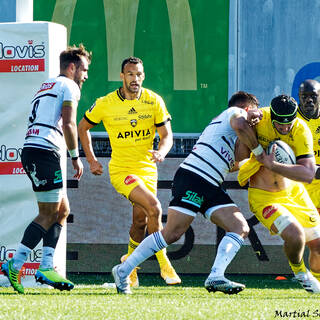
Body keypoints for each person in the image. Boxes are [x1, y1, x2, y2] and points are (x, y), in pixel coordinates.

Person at [111, 91, 264, 294]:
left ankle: (216, 277)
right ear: (246, 108)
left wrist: (258, 152)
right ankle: (123, 270)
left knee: (240, 227)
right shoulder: (235, 113)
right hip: (193, 176)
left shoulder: (231, 131)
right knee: (172, 233)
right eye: (254, 111)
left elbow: (238, 160)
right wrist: (261, 152)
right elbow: (241, 125)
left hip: (211, 184)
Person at [78, 56, 180, 287]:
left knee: (140, 220)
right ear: (122, 76)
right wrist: (92, 160)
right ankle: (164, 263)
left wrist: (162, 151)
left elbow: (167, 136)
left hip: (147, 168)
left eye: (139, 74)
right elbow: (82, 128)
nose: (135, 79)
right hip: (122, 170)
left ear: (143, 76)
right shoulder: (105, 103)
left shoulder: (154, 101)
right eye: (131, 74)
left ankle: (129, 266)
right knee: (154, 207)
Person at [1, 44, 91, 294]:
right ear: (71, 67)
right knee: (49, 213)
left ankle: (46, 266)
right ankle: (15, 265)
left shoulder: (47, 84)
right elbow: (70, 123)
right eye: (84, 69)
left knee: (62, 209)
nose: (85, 75)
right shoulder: (69, 86)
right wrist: (75, 157)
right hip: (45, 152)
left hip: (32, 150)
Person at [237, 94, 320, 293]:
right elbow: (240, 124)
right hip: (264, 197)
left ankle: (317, 284)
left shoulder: (301, 130)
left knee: (318, 245)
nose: (284, 128)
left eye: (288, 124)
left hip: (294, 193)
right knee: (295, 235)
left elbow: (308, 173)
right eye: (279, 125)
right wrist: (252, 117)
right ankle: (301, 273)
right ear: (270, 116)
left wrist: (273, 164)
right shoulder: (261, 117)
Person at [298, 79, 320, 213]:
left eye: (313, 96)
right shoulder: (292, 122)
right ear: (299, 98)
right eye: (304, 96)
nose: (309, 100)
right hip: (303, 194)